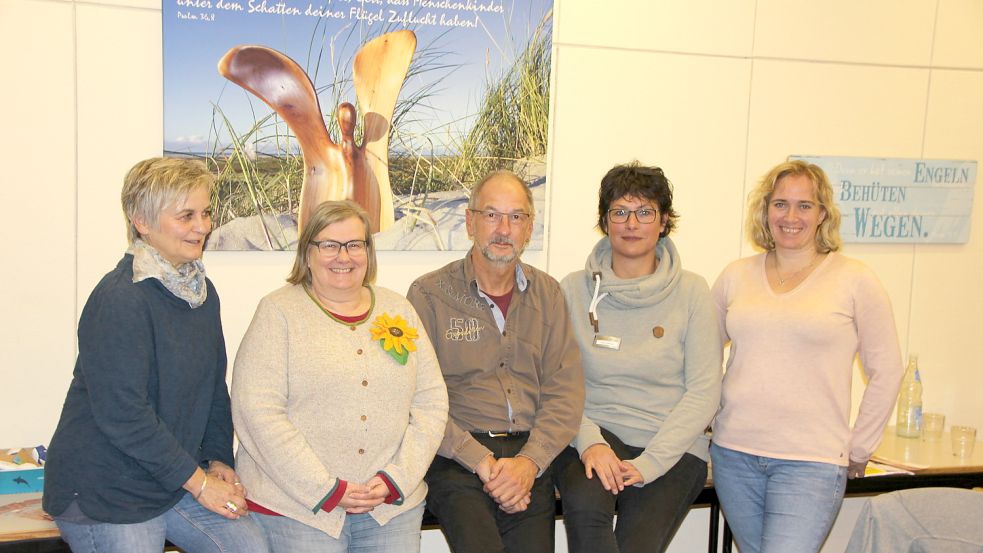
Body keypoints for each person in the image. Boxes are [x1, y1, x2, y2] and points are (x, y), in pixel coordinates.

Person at [42, 157, 268, 553]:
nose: (203, 226)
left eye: (205, 212)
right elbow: (124, 415)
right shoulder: (121, 298)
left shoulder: (200, 292)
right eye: (186, 216)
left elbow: (214, 388)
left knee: (248, 546)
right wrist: (200, 485)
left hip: (169, 479)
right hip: (107, 488)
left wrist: (219, 461)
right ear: (141, 222)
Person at [231, 200, 448, 553]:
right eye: (329, 245)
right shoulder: (278, 313)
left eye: (354, 244)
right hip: (297, 509)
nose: (343, 256)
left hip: (390, 509)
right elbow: (256, 412)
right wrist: (325, 488)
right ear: (308, 253)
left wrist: (397, 478)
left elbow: (432, 402)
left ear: (368, 251)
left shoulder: (399, 309)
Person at [710, 159, 904, 553]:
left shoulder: (855, 279)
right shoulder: (735, 275)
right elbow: (702, 357)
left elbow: (887, 369)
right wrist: (709, 422)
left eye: (804, 205)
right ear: (765, 211)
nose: (791, 216)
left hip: (811, 462)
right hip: (735, 456)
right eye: (780, 204)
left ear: (823, 214)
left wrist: (860, 446)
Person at [406, 170, 584, 553]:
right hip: (455, 455)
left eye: (516, 217)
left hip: (528, 456)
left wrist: (528, 465)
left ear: (529, 228)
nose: (504, 229)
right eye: (491, 215)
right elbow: (418, 398)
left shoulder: (549, 294)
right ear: (470, 221)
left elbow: (564, 393)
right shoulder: (429, 294)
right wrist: (481, 461)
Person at [555, 162, 722, 553]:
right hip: (593, 435)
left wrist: (650, 464)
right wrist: (591, 443)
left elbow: (703, 391)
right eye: (619, 212)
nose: (631, 223)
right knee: (586, 514)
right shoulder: (572, 290)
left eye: (644, 212)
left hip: (671, 443)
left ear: (663, 221)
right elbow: (557, 383)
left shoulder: (693, 292)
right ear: (605, 221)